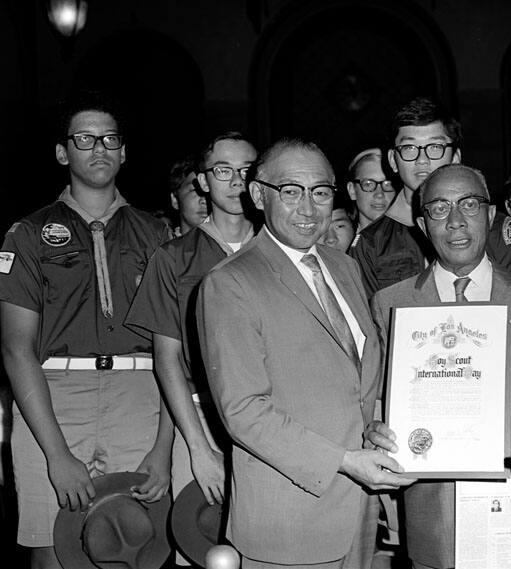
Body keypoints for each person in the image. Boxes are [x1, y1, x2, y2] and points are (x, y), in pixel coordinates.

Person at [197, 138, 413, 568]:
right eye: (291, 191)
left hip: (357, 511)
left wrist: (372, 428)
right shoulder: (231, 284)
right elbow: (243, 410)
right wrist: (346, 461)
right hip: (289, 520)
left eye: (320, 192)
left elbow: (353, 379)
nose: (308, 208)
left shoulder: (343, 267)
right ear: (259, 195)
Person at [367, 164, 511, 569]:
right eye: (439, 209)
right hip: (433, 520)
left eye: (469, 205)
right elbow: (374, 399)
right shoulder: (390, 304)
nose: (456, 220)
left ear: (491, 216)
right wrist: (377, 432)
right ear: (422, 224)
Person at [0, 91, 173, 569]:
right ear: (63, 152)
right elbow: (17, 351)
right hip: (54, 399)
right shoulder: (29, 234)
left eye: (109, 138)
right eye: (84, 138)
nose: (99, 148)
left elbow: (171, 351)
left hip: (140, 396)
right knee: (56, 550)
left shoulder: (156, 233)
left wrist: (164, 448)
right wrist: (56, 454)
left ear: (123, 151)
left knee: (138, 545)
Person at [125, 132, 258, 563]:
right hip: (200, 417)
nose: (236, 181)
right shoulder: (174, 257)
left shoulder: (278, 249)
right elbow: (167, 360)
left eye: (247, 171)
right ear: (203, 181)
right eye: (223, 171)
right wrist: (198, 449)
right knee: (204, 546)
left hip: (272, 415)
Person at [350, 97, 461, 297]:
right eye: (410, 148)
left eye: (435, 147)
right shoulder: (372, 244)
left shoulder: (491, 227)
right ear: (393, 160)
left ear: (455, 158)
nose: (422, 159)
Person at [345, 147, 396, 238]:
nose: (379, 194)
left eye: (387, 184)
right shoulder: (339, 243)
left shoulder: (413, 243)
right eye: (368, 184)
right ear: (352, 190)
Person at [168, 154, 208, 236]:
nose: (205, 200)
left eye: (210, 192)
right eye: (196, 190)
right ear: (175, 200)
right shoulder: (158, 246)